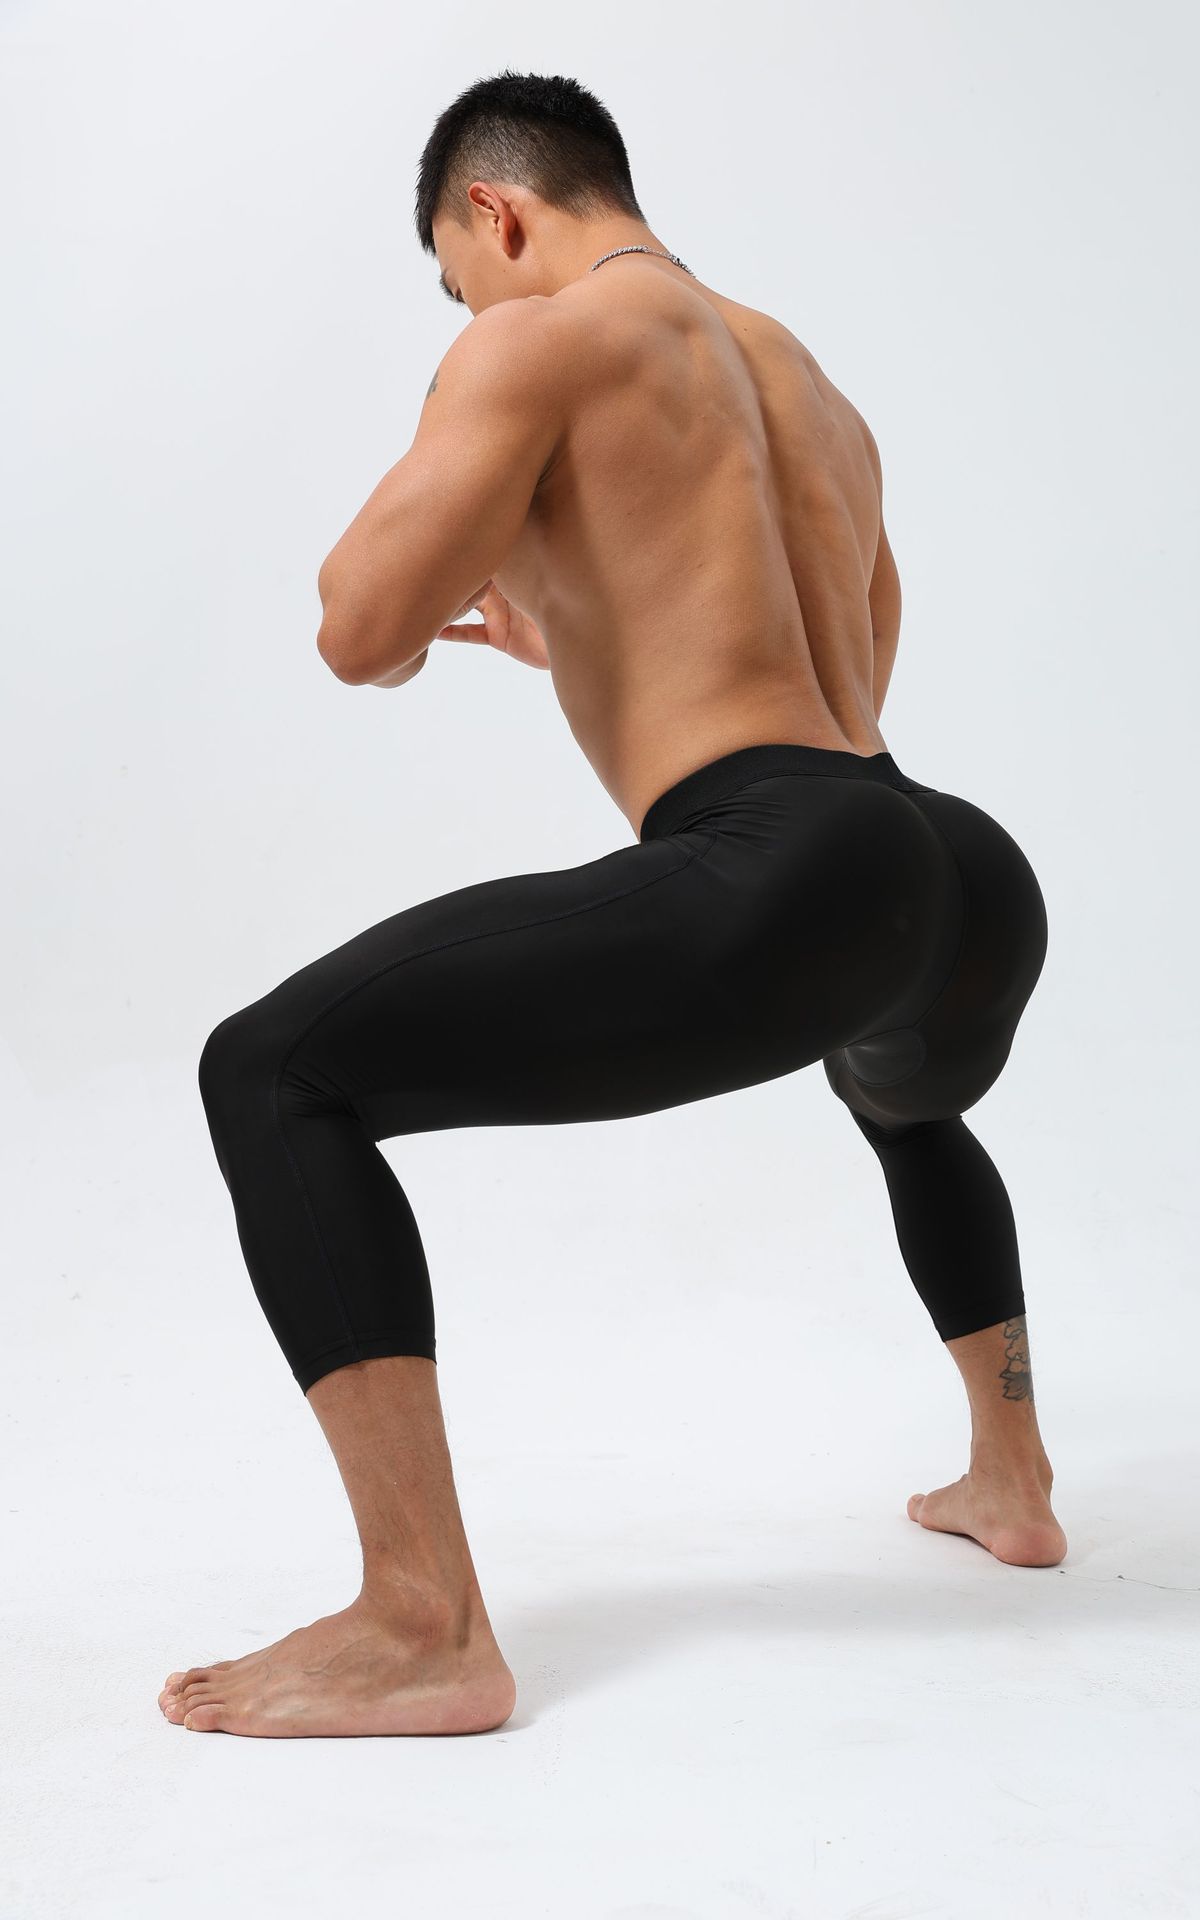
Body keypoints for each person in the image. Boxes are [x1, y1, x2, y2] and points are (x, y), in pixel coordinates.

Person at [159, 68, 1059, 1741]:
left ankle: (424, 1622)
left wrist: (454, 555)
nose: (471, 315)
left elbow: (359, 628)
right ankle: (1011, 1478)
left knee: (271, 1068)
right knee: (897, 1093)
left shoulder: (538, 341)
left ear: (494, 213)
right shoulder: (806, 378)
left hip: (785, 861)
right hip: (950, 870)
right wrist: (580, 619)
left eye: (460, 279)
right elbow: (836, 659)